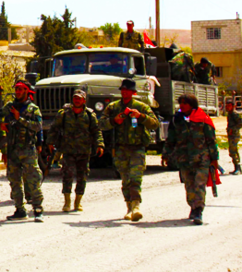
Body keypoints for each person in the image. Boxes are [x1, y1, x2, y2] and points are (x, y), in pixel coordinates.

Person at [99, 79, 160, 221]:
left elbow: (155, 124)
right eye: (123, 90)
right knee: (125, 179)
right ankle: (129, 207)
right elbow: (101, 124)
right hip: (120, 148)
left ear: (133, 92)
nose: (124, 92)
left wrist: (141, 117)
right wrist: (114, 121)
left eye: (128, 90)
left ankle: (136, 206)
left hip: (137, 148)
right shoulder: (113, 107)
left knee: (136, 178)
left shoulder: (141, 107)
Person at [162, 94, 219, 225]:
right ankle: (193, 206)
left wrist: (214, 158)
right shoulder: (177, 120)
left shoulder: (202, 118)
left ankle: (198, 210)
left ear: (192, 104)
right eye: (180, 103)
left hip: (201, 158)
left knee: (199, 184)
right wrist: (166, 154)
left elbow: (211, 140)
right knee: (189, 185)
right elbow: (171, 139)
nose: (182, 105)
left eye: (185, 103)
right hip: (184, 158)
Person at [47, 90, 104, 212]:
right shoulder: (64, 114)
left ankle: (78, 202)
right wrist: (50, 142)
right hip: (68, 150)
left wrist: (100, 144)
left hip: (84, 150)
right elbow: (54, 128)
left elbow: (96, 130)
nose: (77, 100)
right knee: (67, 175)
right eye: (75, 98)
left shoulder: (89, 115)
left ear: (84, 100)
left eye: (79, 98)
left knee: (82, 176)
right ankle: (67, 202)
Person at [0, 80, 45, 222]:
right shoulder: (10, 106)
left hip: (28, 149)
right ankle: (20, 209)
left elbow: (38, 126)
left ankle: (37, 209)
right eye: (16, 89)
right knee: (14, 181)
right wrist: (0, 124)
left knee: (33, 179)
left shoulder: (33, 109)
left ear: (26, 91)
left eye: (20, 89)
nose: (17, 92)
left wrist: (20, 119)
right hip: (12, 149)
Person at [226, 100, 241, 175]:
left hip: (234, 135)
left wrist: (233, 129)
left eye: (229, 105)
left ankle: (238, 168)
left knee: (233, 151)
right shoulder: (230, 114)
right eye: (227, 105)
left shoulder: (235, 114)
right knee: (232, 151)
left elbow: (240, 123)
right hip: (231, 135)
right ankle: (237, 168)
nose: (228, 107)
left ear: (233, 106)